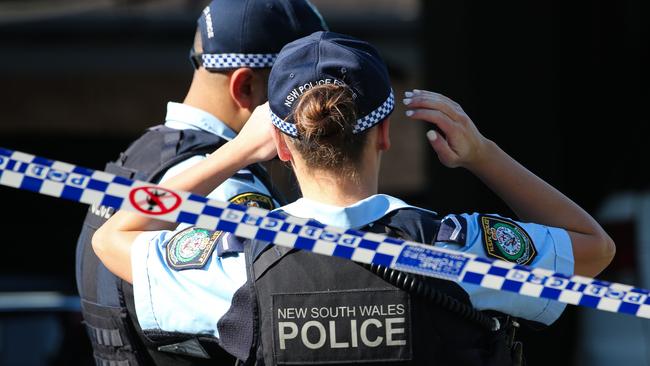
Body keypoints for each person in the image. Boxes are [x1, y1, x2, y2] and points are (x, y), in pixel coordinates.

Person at [93, 31, 616, 365]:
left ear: (279, 143)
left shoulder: (236, 264)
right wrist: (482, 154)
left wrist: (232, 155)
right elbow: (594, 247)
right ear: (385, 133)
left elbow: (117, 233)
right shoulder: (455, 251)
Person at [75, 1, 327, 365]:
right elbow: (280, 322)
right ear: (245, 88)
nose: (308, 115)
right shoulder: (230, 190)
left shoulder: (137, 158)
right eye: (298, 94)